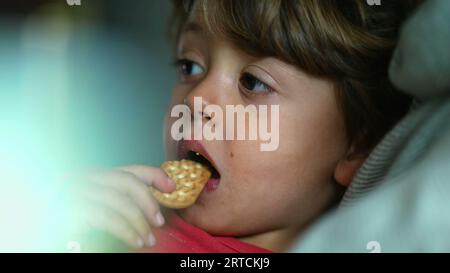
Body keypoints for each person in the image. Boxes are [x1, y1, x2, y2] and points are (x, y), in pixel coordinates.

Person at [72, 0, 417, 252]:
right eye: (189, 66)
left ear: (358, 143)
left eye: (253, 82)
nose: (196, 100)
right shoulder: (103, 212)